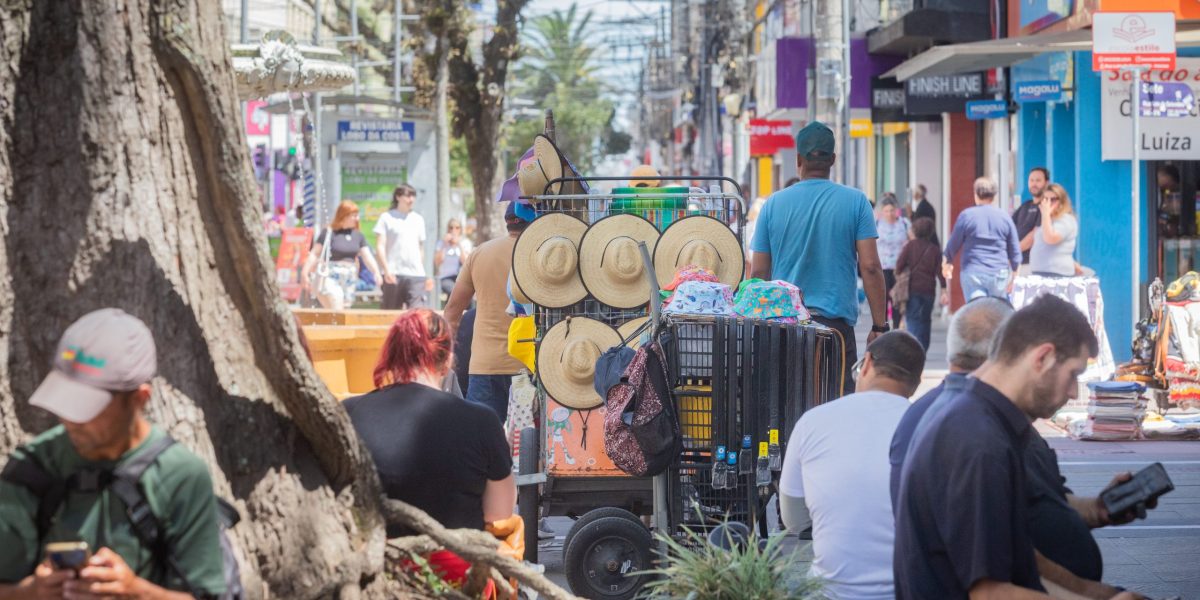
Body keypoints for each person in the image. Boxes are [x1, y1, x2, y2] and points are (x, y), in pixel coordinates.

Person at [891, 297, 1154, 598]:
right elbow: (990, 592)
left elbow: (1021, 566)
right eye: (1073, 375)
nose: (1072, 392)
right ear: (1042, 357)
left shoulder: (974, 414)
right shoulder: (977, 438)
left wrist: (1102, 594)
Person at [0, 309, 226, 597]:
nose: (70, 419)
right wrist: (32, 591)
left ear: (139, 399)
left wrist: (134, 591)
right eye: (66, 400)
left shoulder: (181, 476)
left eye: (87, 406)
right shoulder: (31, 467)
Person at [343, 309, 515, 587]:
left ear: (392, 355)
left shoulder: (349, 413)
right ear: (447, 360)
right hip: (455, 576)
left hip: (374, 573)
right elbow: (500, 514)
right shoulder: (482, 420)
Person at [780, 331, 925, 600]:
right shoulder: (931, 427)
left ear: (866, 363)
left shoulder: (813, 422)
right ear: (915, 385)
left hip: (828, 592)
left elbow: (794, 520)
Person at [750, 121, 888, 394]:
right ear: (833, 160)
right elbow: (870, 267)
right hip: (834, 330)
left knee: (786, 404)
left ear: (798, 159)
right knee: (836, 402)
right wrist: (879, 326)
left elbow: (759, 274)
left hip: (785, 325)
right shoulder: (856, 201)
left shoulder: (773, 205)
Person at [444, 202, 531, 419]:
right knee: (531, 445)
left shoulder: (479, 253)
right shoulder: (540, 252)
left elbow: (453, 311)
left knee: (481, 445)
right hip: (529, 365)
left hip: (485, 366)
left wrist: (445, 355)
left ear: (508, 221)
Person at [942, 176, 1021, 301]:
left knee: (976, 313)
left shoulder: (967, 216)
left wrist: (947, 263)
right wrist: (1015, 274)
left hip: (973, 272)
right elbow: (1014, 249)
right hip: (999, 273)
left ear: (975, 194)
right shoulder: (1004, 217)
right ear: (994, 196)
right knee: (998, 314)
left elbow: (953, 244)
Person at [301, 200, 382, 310]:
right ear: (344, 215)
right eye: (354, 216)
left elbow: (367, 257)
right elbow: (315, 254)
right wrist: (305, 272)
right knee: (336, 302)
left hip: (349, 276)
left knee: (345, 308)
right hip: (330, 275)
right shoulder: (329, 232)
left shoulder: (358, 235)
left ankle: (333, 327)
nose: (357, 219)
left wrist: (376, 272)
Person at [375, 184, 433, 310]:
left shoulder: (418, 219)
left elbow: (420, 248)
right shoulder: (386, 217)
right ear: (398, 197)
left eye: (413, 196)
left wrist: (422, 271)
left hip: (416, 275)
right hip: (393, 273)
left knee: (418, 314)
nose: (411, 199)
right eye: (407, 196)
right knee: (389, 314)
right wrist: (386, 270)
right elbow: (380, 246)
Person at [894, 217, 944, 349]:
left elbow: (899, 266)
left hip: (912, 289)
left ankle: (914, 348)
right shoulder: (935, 250)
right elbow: (940, 272)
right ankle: (923, 348)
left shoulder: (910, 246)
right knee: (925, 321)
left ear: (915, 230)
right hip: (929, 291)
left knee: (912, 320)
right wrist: (944, 289)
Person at [1029, 183, 1079, 277]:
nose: (1048, 203)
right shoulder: (1048, 220)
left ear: (1062, 201)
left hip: (1057, 273)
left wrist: (1045, 214)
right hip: (1041, 273)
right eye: (1045, 199)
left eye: (1053, 199)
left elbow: (1050, 239)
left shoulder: (1066, 219)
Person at [876, 196, 910, 331]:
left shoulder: (904, 223)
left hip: (899, 268)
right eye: (886, 211)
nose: (889, 213)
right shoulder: (877, 224)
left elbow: (911, 243)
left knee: (897, 299)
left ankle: (896, 328)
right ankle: (883, 328)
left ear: (896, 210)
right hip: (882, 268)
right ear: (882, 212)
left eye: (891, 210)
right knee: (882, 300)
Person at [1012, 167, 1050, 268]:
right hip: (1018, 263)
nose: (1034, 184)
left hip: (1033, 264)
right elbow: (1008, 228)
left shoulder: (1046, 206)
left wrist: (1014, 251)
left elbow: (1036, 235)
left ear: (1046, 183)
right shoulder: (1025, 205)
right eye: (1031, 180)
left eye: (1038, 180)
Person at [435, 218, 470, 301]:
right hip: (445, 277)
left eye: (457, 228)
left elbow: (466, 262)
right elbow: (437, 262)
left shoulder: (465, 243)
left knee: (468, 292)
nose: (454, 230)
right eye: (451, 227)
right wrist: (444, 245)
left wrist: (459, 245)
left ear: (460, 230)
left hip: (461, 277)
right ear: (448, 229)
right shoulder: (441, 243)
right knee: (454, 290)